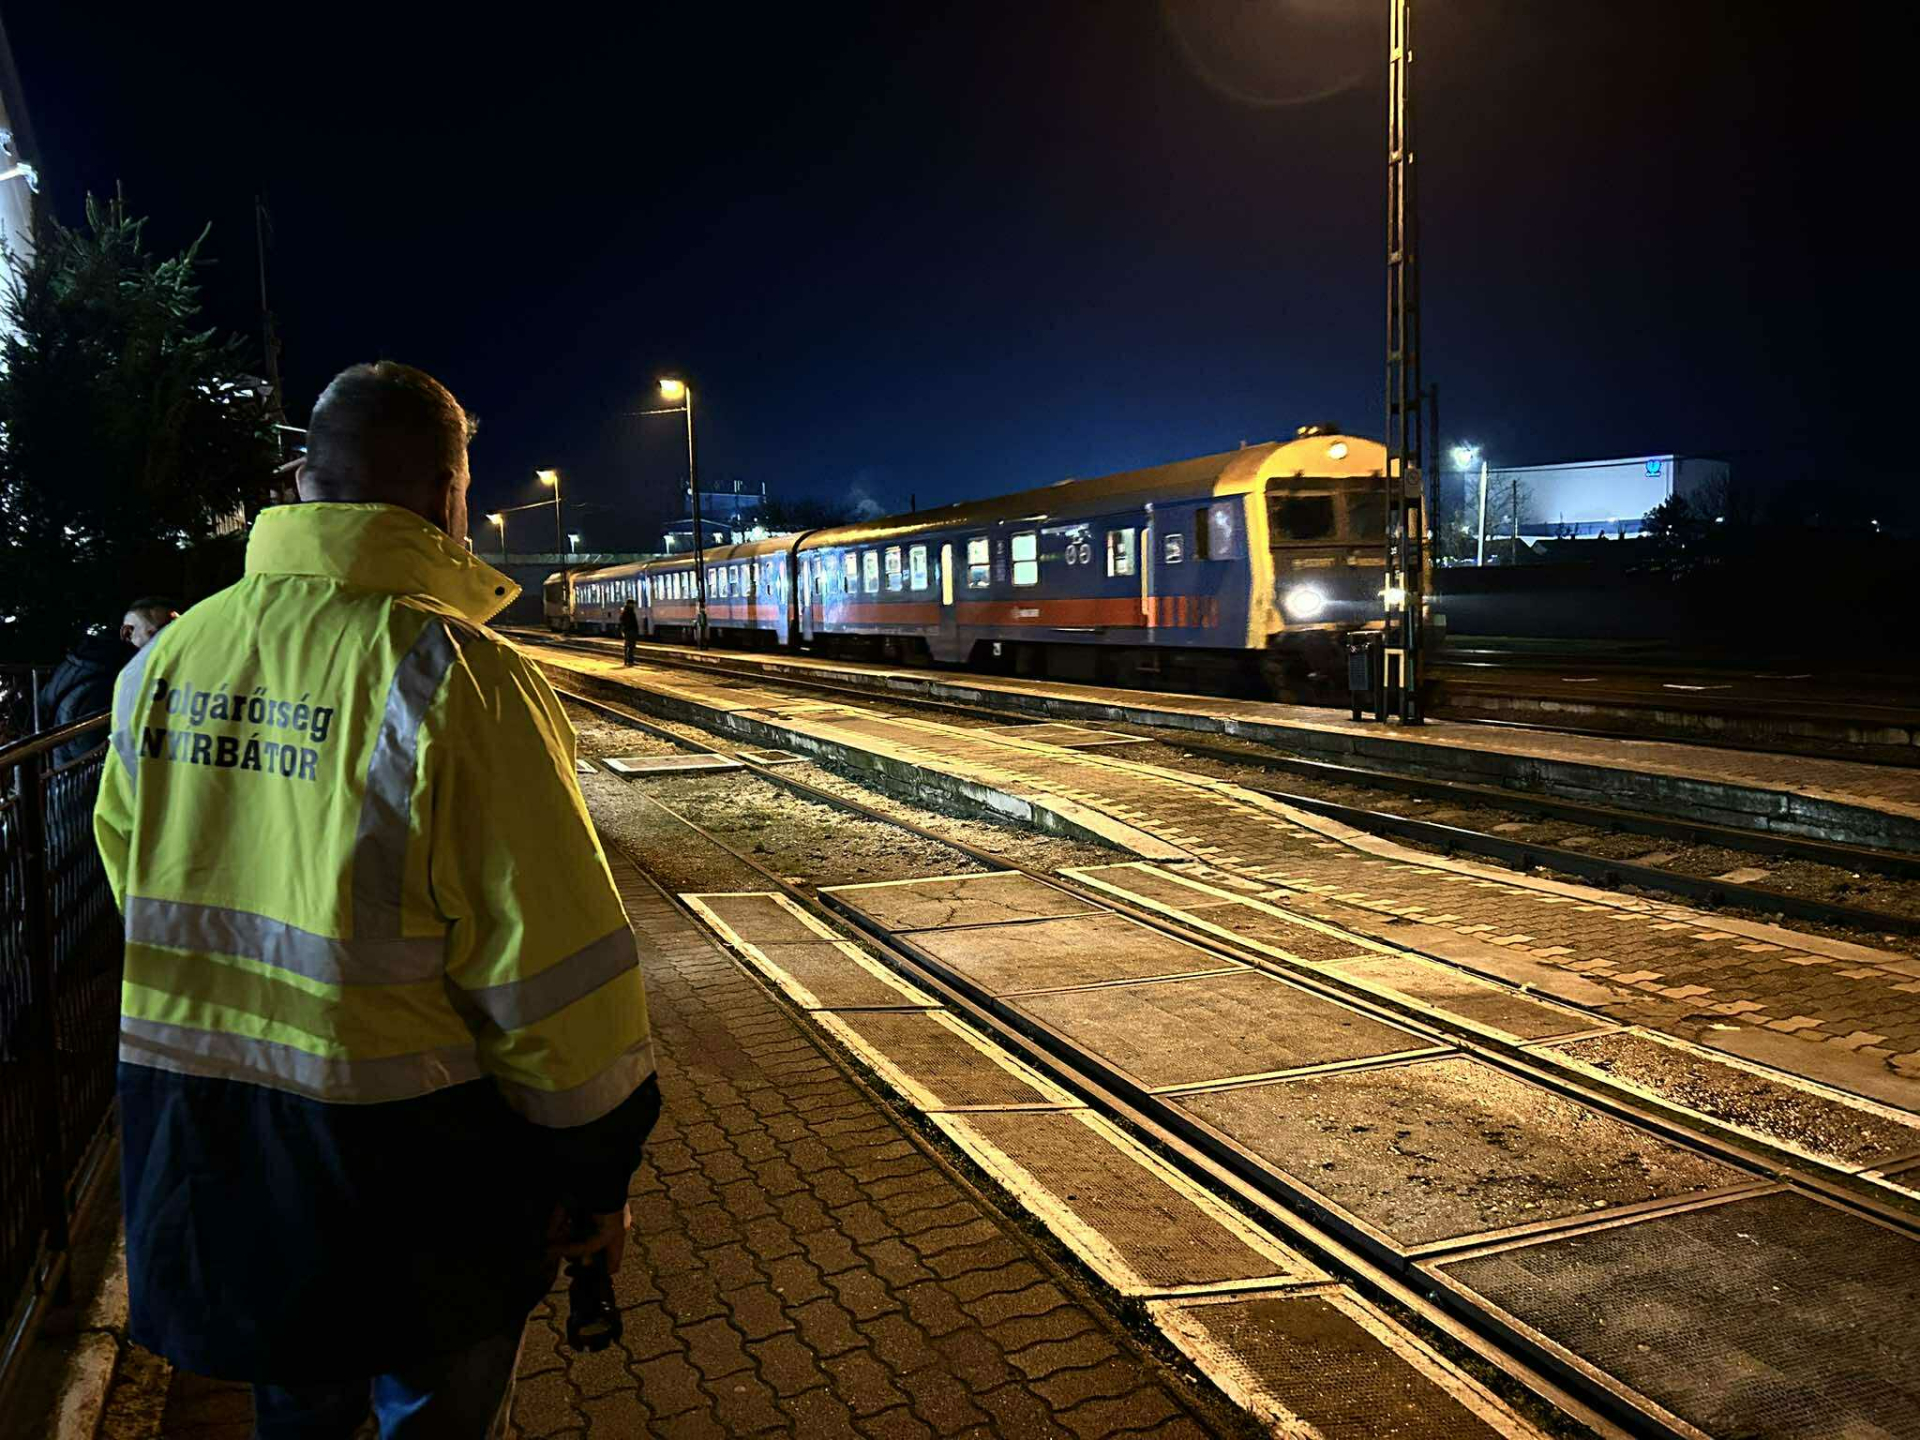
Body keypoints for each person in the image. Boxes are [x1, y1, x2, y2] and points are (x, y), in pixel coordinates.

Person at [94, 362, 659, 1439]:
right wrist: (597, 1174)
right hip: (421, 1187)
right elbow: (553, 976)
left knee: (294, 1415)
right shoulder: (458, 678)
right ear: (452, 496)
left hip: (219, 1164)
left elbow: (134, 881)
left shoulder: (163, 662)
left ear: (300, 479)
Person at [42, 598, 177, 766]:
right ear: (127, 632)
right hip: (80, 786)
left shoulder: (90, 662)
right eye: (157, 634)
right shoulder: (106, 683)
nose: (169, 642)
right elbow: (97, 760)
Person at [618, 597, 640, 665]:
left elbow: (622, 621)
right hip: (630, 630)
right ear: (629, 604)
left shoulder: (626, 611)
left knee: (629, 646)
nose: (633, 605)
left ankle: (628, 660)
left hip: (628, 630)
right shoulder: (628, 611)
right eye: (632, 604)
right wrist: (632, 629)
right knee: (631, 646)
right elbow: (630, 621)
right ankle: (630, 661)